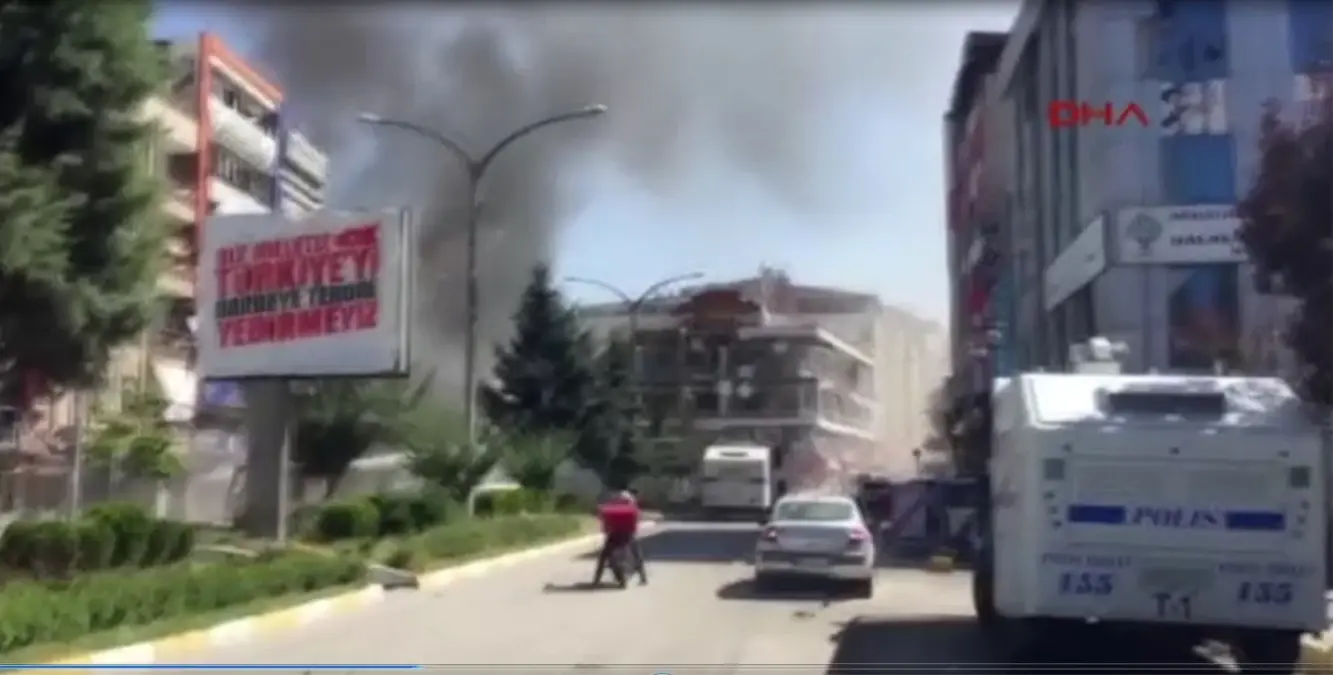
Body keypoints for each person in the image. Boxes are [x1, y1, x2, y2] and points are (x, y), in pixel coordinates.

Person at [593, 490, 648, 586]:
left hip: (615, 535)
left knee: (604, 556)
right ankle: (643, 577)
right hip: (627, 534)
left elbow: (603, 518)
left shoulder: (611, 508)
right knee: (637, 554)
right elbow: (637, 519)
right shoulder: (631, 508)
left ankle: (597, 579)